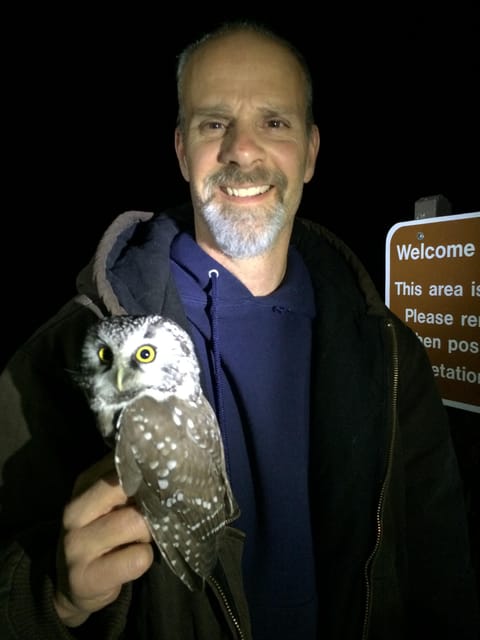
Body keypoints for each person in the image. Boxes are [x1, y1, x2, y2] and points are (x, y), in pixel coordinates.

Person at [0, 19, 478, 640]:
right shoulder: (72, 352)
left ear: (309, 153)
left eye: (273, 123)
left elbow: (441, 572)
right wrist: (51, 597)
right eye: (214, 123)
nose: (243, 151)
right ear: (181, 150)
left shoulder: (386, 353)